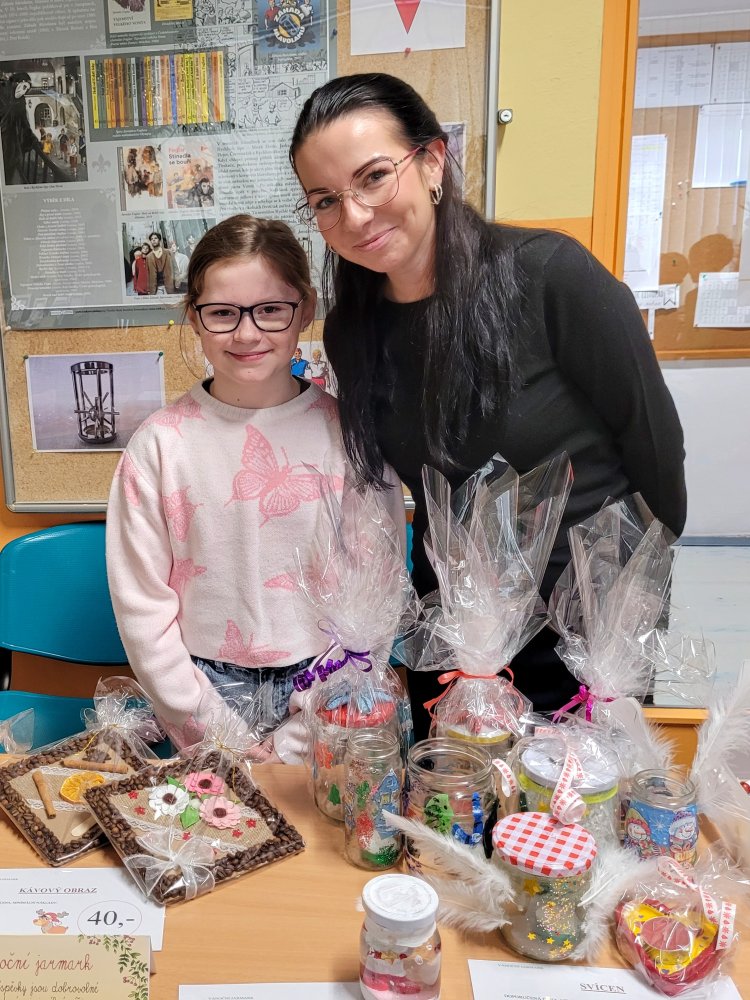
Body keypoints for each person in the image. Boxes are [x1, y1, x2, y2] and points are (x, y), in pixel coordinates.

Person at [290, 73, 687, 740]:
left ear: (432, 161)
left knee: (576, 798)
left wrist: (631, 599)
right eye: (325, 200)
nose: (354, 216)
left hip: (584, 637)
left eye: (374, 177)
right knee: (452, 796)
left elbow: (656, 450)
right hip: (454, 634)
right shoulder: (353, 330)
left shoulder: (549, 275)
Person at [107, 214, 405, 758]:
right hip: (200, 695)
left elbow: (377, 590)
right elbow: (142, 608)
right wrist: (216, 731)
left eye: (270, 309)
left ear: (305, 309)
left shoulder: (351, 436)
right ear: (194, 318)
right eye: (222, 313)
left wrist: (304, 729)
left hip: (328, 690)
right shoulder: (159, 446)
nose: (247, 333)